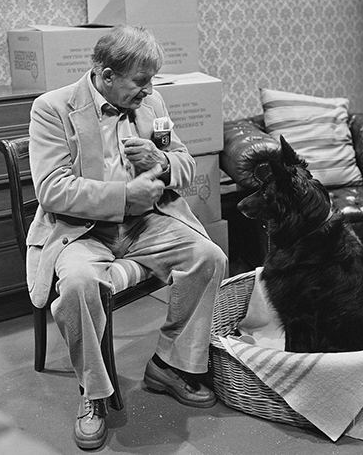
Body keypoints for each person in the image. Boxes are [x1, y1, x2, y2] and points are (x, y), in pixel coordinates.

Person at [26, 24, 228, 450]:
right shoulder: (52, 108)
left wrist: (163, 161)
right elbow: (52, 189)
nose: (149, 89)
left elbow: (186, 163)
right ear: (106, 74)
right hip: (81, 231)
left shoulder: (151, 102)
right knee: (79, 284)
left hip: (146, 224)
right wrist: (124, 197)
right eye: (140, 80)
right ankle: (94, 393)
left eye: (151, 80)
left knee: (208, 257)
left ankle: (168, 365)